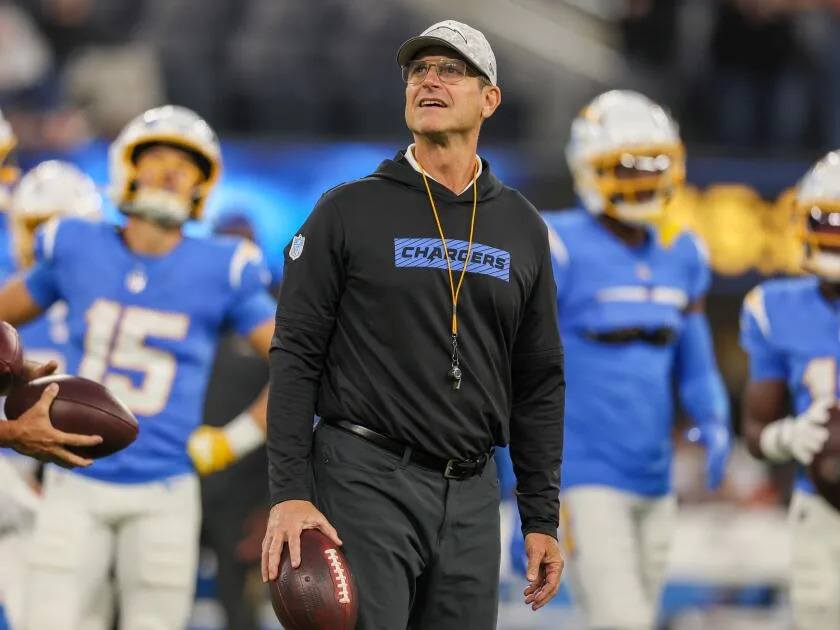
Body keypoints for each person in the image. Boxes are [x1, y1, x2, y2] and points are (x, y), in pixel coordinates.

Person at [261, 19, 566, 630]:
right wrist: (289, 492)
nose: (429, 80)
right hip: (364, 476)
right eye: (418, 71)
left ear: (490, 99)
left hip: (473, 489)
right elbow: (294, 354)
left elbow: (538, 379)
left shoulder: (522, 226)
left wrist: (540, 517)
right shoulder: (347, 209)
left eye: (450, 70)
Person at [0, 104, 277, 630]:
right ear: (127, 166)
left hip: (165, 489)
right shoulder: (76, 245)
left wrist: (230, 441)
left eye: (186, 164)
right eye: (158, 158)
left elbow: (296, 365)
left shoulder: (224, 266)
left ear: (204, 183)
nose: (172, 172)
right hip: (73, 478)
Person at [542, 90, 732, 630]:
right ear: (588, 166)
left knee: (637, 616)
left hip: (655, 476)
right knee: (622, 620)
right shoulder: (557, 244)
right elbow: (521, 370)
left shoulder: (683, 254)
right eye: (627, 166)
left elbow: (695, 365)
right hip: (581, 474)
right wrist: (525, 486)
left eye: (654, 165)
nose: (643, 179)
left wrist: (715, 419)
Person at [740, 150, 840, 630]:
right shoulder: (774, 307)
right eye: (830, 222)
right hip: (818, 496)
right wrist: (791, 437)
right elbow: (756, 430)